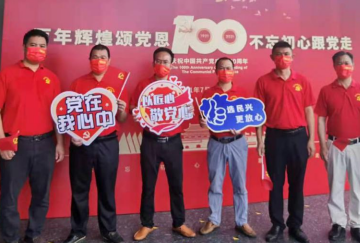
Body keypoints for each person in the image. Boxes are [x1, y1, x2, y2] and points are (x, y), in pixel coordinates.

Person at [0, 29, 64, 243]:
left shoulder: (52, 78)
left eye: (42, 46)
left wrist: (59, 143)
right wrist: (3, 143)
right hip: (14, 144)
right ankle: (10, 238)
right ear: (24, 47)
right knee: (9, 196)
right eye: (33, 45)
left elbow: (58, 115)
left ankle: (33, 235)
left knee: (41, 195)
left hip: (46, 144)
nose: (37, 49)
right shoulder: (6, 75)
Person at [62, 44, 128, 243]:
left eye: (103, 57)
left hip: (108, 142)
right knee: (79, 188)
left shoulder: (119, 83)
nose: (99, 61)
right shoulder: (77, 83)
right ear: (89, 59)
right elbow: (69, 116)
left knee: (107, 187)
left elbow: (122, 119)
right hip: (82, 144)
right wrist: (73, 135)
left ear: (109, 60)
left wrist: (122, 110)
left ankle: (109, 230)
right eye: (95, 57)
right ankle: (78, 230)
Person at [130, 47, 196, 241]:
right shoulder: (144, 85)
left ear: (172, 65)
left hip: (173, 142)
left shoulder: (178, 87)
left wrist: (189, 110)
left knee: (176, 185)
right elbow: (134, 106)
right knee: (148, 185)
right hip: (150, 141)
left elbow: (187, 111)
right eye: (158, 61)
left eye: (165, 62)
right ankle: (146, 224)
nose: (161, 65)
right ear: (153, 64)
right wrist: (136, 112)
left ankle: (179, 223)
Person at [254, 40, 315, 243]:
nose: (283, 57)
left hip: (299, 137)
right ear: (272, 57)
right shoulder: (263, 81)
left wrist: (311, 139)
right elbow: (258, 114)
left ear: (293, 56)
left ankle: (295, 225)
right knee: (276, 184)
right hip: (275, 138)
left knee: (297, 183)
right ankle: (277, 224)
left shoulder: (302, 81)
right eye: (278, 54)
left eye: (286, 53)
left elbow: (309, 110)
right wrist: (260, 140)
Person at [198, 57, 256, 238]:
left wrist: (242, 126)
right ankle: (214, 219)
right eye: (221, 68)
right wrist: (202, 122)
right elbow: (202, 120)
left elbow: (249, 116)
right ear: (216, 71)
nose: (225, 71)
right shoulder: (208, 94)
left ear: (234, 70)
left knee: (240, 183)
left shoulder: (242, 92)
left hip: (237, 142)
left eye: (228, 68)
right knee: (215, 183)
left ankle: (242, 221)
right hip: (216, 143)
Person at [316, 52, 360, 243]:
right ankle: (337, 223)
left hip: (358, 144)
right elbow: (321, 119)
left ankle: (357, 225)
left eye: (347, 63)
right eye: (339, 63)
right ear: (334, 67)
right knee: (335, 186)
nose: (343, 66)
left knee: (358, 188)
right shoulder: (326, 91)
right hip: (335, 144)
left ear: (353, 65)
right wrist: (323, 145)